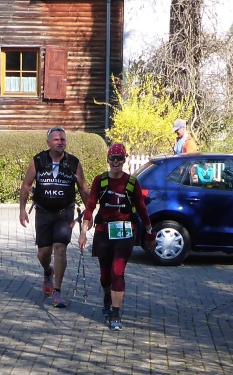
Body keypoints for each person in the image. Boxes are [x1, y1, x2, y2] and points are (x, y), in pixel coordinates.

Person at [78, 143, 156, 331]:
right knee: (105, 276)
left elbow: (142, 209)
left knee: (117, 271)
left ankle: (115, 313)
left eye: (119, 158)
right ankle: (107, 295)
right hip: (103, 233)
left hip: (125, 233)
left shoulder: (132, 183)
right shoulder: (100, 181)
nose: (116, 162)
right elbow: (90, 206)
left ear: (124, 160)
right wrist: (83, 232)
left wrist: (150, 232)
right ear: (108, 159)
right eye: (112, 158)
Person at [19, 126, 88, 308]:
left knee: (60, 248)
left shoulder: (73, 162)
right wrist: (22, 210)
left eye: (63, 139)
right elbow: (26, 185)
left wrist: (89, 210)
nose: (60, 142)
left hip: (65, 212)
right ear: (48, 142)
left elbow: (83, 187)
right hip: (43, 212)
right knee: (44, 253)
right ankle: (47, 271)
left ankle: (57, 291)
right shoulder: (38, 160)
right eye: (56, 139)